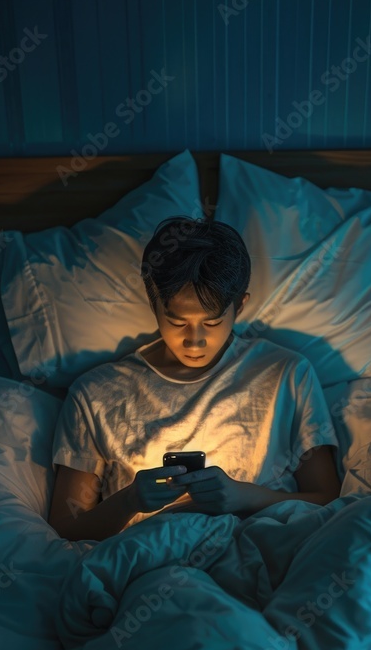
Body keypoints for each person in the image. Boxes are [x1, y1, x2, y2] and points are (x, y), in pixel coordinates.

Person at [47, 216, 341, 542]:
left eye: (212, 323)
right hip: (152, 559)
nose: (194, 340)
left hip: (261, 547)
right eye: (177, 321)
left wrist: (246, 497)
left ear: (239, 306)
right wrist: (130, 501)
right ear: (152, 303)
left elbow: (327, 501)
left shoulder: (286, 375)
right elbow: (66, 527)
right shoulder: (95, 395)